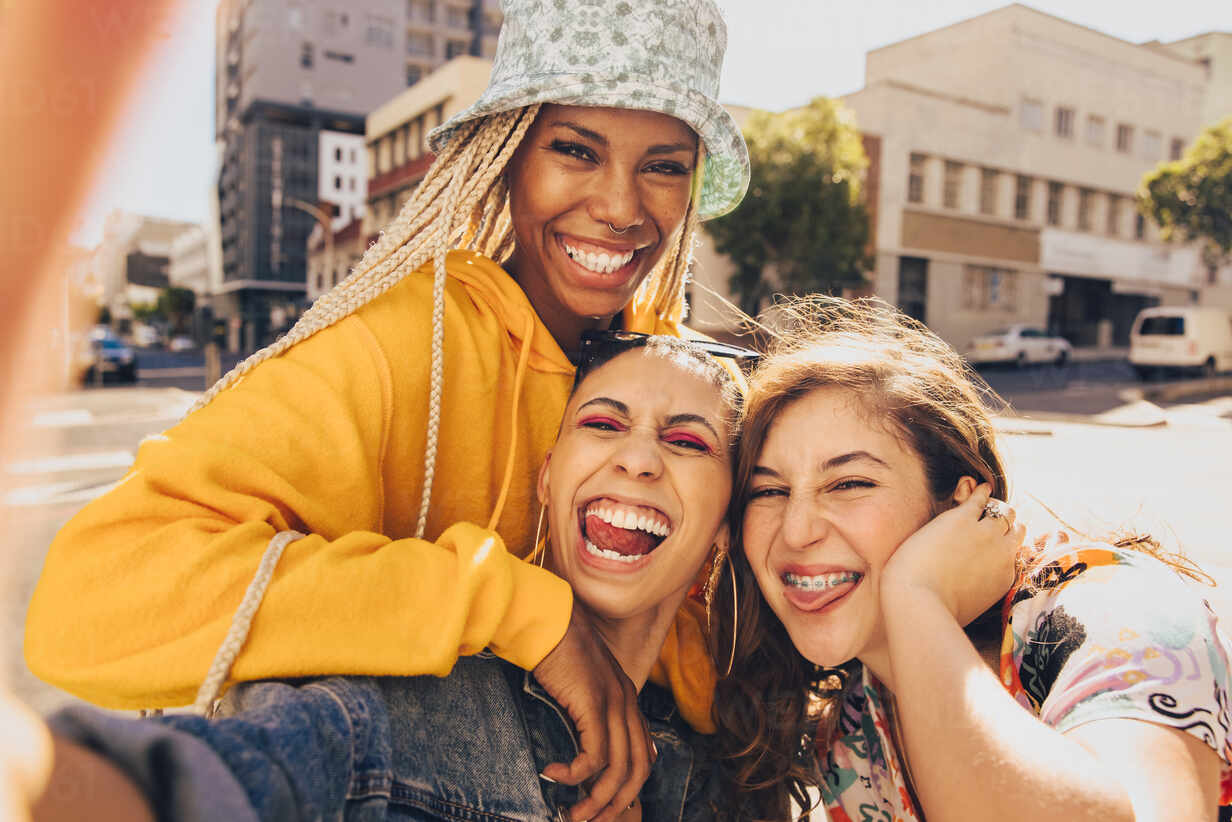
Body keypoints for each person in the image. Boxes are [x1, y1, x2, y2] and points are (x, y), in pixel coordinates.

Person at [24, 2, 749, 819]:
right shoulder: (398, 346)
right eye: (575, 150)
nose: (620, 207)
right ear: (506, 155)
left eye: (665, 165)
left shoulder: (673, 377)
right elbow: (90, 603)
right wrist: (517, 612)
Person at [27, 334, 746, 822]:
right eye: (604, 424)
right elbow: (219, 780)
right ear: (549, 481)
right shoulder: (407, 717)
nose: (639, 460)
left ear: (722, 535)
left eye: (686, 441)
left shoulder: (735, 762)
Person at [710, 297, 1232, 822]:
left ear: (958, 503)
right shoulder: (849, 735)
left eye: (849, 483)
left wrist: (917, 597)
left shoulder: (1112, 607)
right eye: (768, 492)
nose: (797, 532)